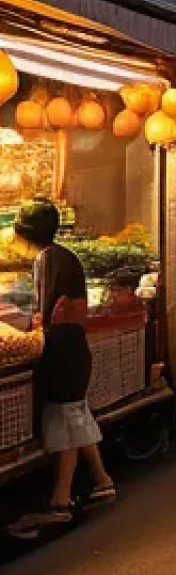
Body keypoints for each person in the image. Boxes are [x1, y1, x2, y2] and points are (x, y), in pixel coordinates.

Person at [8, 200, 115, 540]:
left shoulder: (47, 259)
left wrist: (34, 324)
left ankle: (61, 500)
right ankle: (102, 482)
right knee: (76, 415)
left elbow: (46, 310)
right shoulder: (62, 255)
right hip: (74, 346)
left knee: (64, 421)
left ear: (25, 232)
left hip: (61, 348)